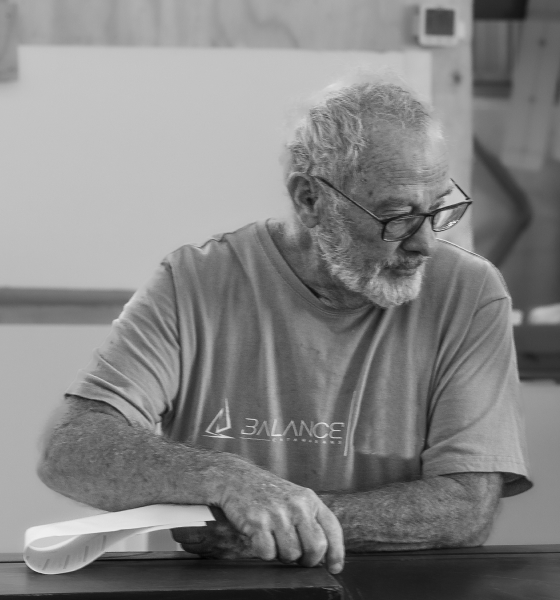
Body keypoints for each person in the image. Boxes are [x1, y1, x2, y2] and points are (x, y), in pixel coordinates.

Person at [38, 72, 531, 575]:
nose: (424, 244)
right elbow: (71, 449)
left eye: (439, 208)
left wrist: (275, 526)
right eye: (398, 216)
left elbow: (467, 505)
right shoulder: (194, 282)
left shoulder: (470, 292)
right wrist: (227, 480)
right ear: (309, 200)